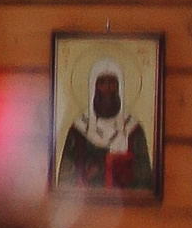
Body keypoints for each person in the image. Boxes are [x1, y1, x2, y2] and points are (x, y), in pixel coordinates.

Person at [58, 60, 155, 194]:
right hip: (86, 207)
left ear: (119, 87)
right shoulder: (79, 128)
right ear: (94, 87)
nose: (108, 88)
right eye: (102, 83)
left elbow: (144, 179)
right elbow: (66, 178)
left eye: (112, 83)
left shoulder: (132, 128)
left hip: (126, 208)